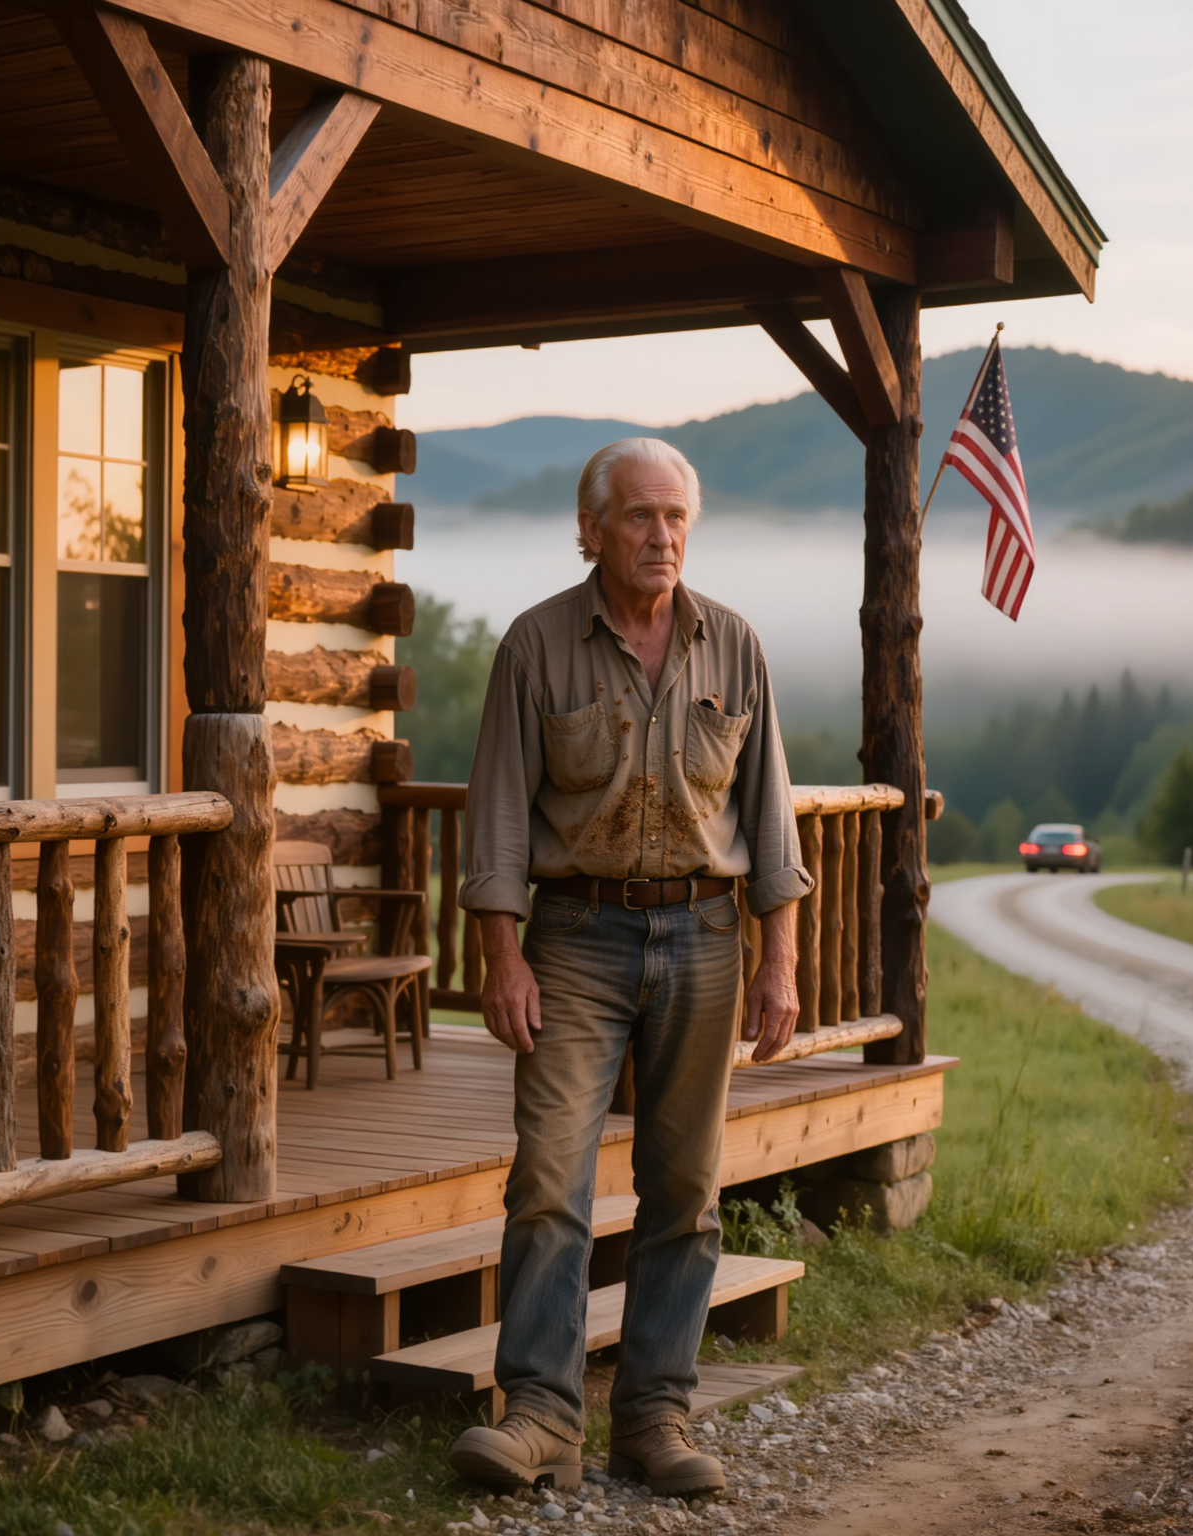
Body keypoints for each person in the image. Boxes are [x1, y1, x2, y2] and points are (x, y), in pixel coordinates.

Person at [448, 438, 811, 1495]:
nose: (662, 537)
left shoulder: (735, 647)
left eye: (676, 519)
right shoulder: (536, 647)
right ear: (591, 529)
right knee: (548, 1183)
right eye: (641, 518)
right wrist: (502, 957)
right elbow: (501, 820)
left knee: (686, 1191)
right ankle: (540, 1417)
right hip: (574, 942)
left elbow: (771, 821)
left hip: (704, 938)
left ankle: (655, 1418)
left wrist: (777, 959)